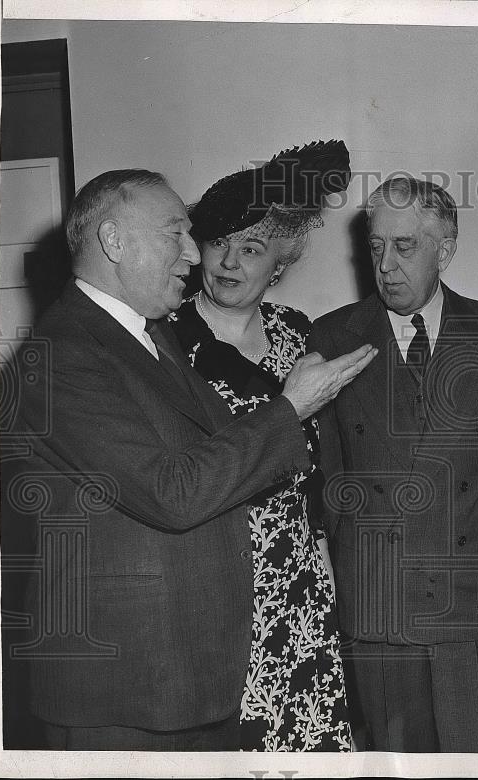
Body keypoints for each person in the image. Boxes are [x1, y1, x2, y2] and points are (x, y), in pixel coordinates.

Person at [12, 169, 376, 750]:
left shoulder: (144, 336)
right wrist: (291, 406)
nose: (194, 253)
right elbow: (173, 491)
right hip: (127, 680)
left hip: (183, 663)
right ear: (113, 242)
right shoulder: (63, 354)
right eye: (177, 234)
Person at [309, 177, 478, 752]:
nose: (386, 266)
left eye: (405, 248)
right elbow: (323, 477)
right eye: (376, 248)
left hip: (471, 609)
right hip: (380, 607)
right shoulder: (330, 339)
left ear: (445, 249)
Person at [169, 141, 352, 751]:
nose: (228, 261)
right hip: (213, 572)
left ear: (280, 264)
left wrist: (321, 543)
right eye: (219, 242)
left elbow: (320, 456)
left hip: (297, 574)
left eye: (251, 248)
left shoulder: (298, 334)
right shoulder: (166, 339)